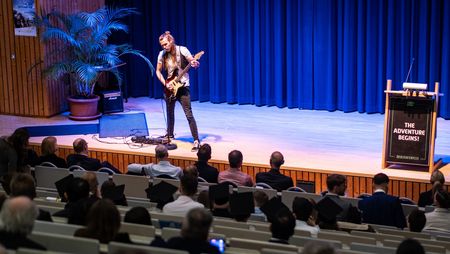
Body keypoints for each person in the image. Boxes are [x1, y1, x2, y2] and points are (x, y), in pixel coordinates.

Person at [156, 31, 201, 152]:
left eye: (165, 44)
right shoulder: (162, 54)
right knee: (169, 113)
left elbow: (192, 61)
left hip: (183, 86)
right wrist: (166, 83)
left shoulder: (183, 50)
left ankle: (196, 140)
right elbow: (158, 71)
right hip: (170, 86)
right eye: (162, 45)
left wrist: (194, 63)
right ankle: (169, 135)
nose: (164, 47)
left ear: (171, 41)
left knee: (188, 114)